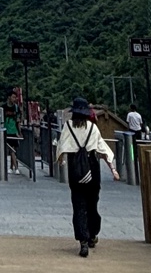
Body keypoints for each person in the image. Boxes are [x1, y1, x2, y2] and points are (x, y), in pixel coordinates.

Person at [56, 97, 119, 258]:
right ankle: (92, 235)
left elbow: (61, 147)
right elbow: (102, 148)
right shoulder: (92, 127)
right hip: (92, 167)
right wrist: (112, 168)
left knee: (78, 205)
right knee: (92, 203)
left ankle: (82, 240)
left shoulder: (68, 126)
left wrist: (61, 160)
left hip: (75, 168)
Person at [4, 90, 22, 170]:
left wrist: (19, 132)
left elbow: (18, 120)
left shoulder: (16, 108)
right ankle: (16, 167)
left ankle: (11, 167)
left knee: (13, 150)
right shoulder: (4, 107)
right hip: (6, 130)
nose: (14, 99)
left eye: (15, 97)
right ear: (9, 97)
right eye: (13, 97)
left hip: (14, 130)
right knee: (11, 150)